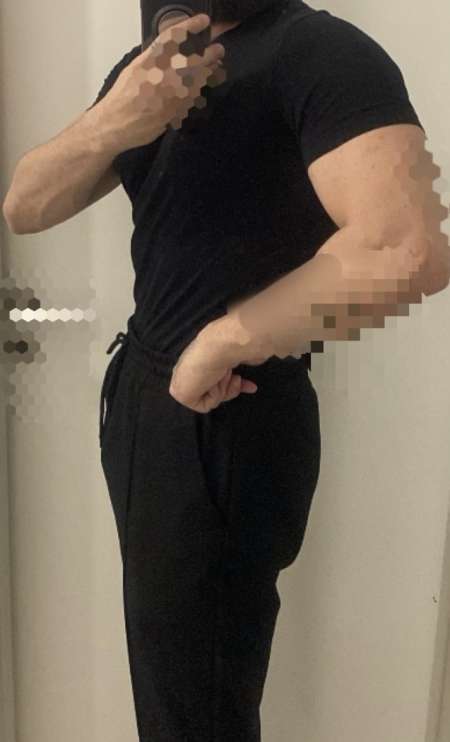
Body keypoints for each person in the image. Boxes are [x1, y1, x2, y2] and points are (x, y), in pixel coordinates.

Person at [5, 0, 444, 739]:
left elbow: (407, 248)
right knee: (172, 686)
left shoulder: (320, 50)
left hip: (230, 411)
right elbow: (26, 204)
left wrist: (222, 342)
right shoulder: (154, 65)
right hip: (145, 399)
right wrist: (119, 118)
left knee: (199, 711)